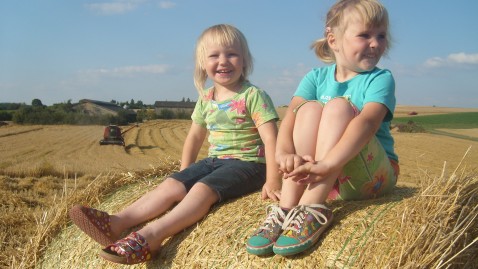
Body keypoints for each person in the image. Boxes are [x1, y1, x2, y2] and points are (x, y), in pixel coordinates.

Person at [69, 24, 282, 265]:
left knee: (202, 190)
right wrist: (184, 174)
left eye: (232, 54)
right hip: (215, 161)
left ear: (245, 60)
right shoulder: (206, 98)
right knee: (171, 185)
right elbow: (194, 137)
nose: (223, 61)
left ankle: (151, 236)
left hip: (250, 164)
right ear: (203, 63)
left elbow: (271, 138)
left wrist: (273, 179)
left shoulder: (253, 96)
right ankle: (116, 222)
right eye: (214, 55)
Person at [246, 0, 399, 257]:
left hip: (371, 178)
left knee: (339, 107)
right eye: (364, 35)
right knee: (307, 109)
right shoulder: (315, 78)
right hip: (328, 180)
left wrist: (328, 164)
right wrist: (283, 152)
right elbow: (290, 118)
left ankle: (310, 206)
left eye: (381, 35)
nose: (375, 43)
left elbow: (367, 122)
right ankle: (285, 209)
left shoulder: (380, 79)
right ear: (333, 39)